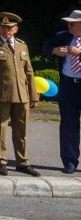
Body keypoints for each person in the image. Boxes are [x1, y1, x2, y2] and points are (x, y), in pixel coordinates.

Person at [0, 12, 40, 176]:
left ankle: (22, 162)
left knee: (21, 130)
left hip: (22, 95)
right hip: (1, 95)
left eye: (9, 27)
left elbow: (29, 72)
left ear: (15, 29)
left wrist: (32, 95)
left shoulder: (22, 46)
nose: (6, 30)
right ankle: (0, 160)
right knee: (0, 129)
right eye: (3, 27)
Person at [45, 10, 81, 174]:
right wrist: (54, 50)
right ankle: (69, 161)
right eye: (68, 23)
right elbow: (45, 47)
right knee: (68, 124)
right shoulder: (63, 35)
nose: (69, 26)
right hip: (68, 85)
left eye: (72, 23)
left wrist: (79, 53)